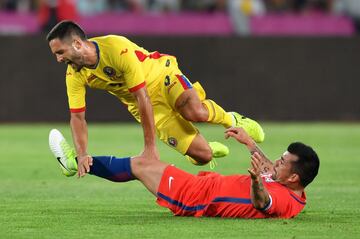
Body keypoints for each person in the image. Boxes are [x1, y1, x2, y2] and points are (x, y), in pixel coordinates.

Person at [46, 20, 265, 177]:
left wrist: (149, 147)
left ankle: (233, 120)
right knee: (204, 156)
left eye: (60, 52)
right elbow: (78, 118)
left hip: (163, 77)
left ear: (77, 44)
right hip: (144, 105)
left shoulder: (116, 49)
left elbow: (143, 97)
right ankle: (197, 149)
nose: (58, 59)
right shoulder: (74, 74)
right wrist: (82, 154)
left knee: (194, 112)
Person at [49, 127, 319, 219]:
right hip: (203, 187)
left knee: (142, 164)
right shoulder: (290, 183)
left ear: (294, 177)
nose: (276, 163)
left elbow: (263, 204)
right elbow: (271, 169)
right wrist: (250, 144)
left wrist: (256, 181)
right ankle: (80, 162)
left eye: (283, 161)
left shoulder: (284, 200)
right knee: (142, 165)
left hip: (196, 198)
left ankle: (76, 163)